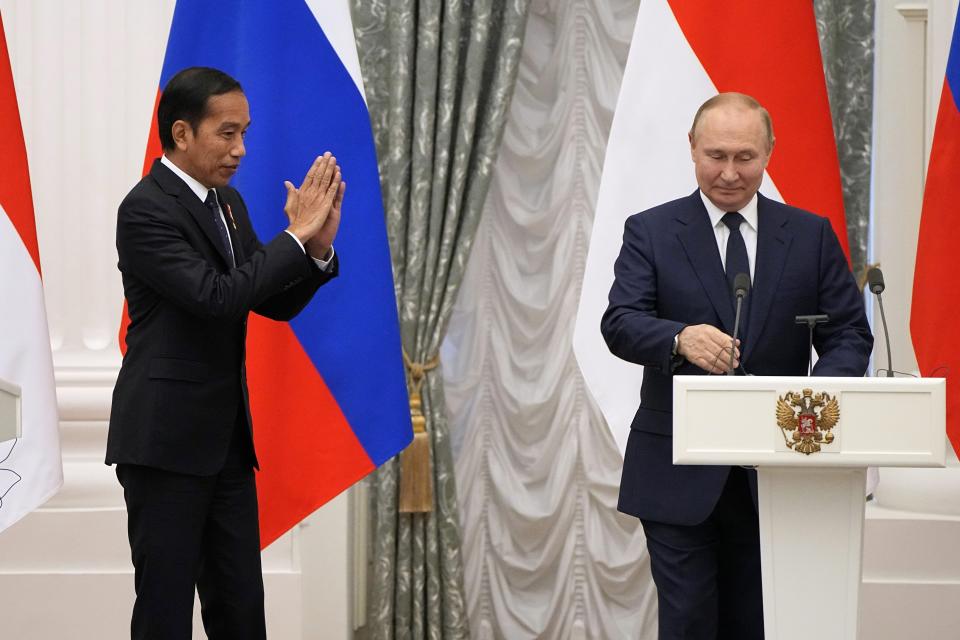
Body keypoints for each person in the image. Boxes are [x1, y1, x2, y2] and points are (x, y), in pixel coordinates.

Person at [600, 92, 872, 639]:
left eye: (744, 157)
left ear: (769, 153)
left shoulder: (809, 234)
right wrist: (678, 337)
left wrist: (812, 403)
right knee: (690, 621)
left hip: (780, 473)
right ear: (693, 150)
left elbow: (848, 334)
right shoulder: (651, 231)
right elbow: (621, 322)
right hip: (676, 467)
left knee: (760, 622)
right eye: (715, 155)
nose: (729, 172)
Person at [105, 66, 344, 639]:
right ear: (182, 133)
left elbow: (266, 301)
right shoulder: (145, 210)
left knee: (241, 611)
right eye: (227, 133)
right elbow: (215, 298)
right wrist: (291, 239)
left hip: (227, 446)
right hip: (164, 445)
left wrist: (315, 248)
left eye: (246, 133)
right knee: (165, 613)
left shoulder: (228, 203)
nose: (241, 149)